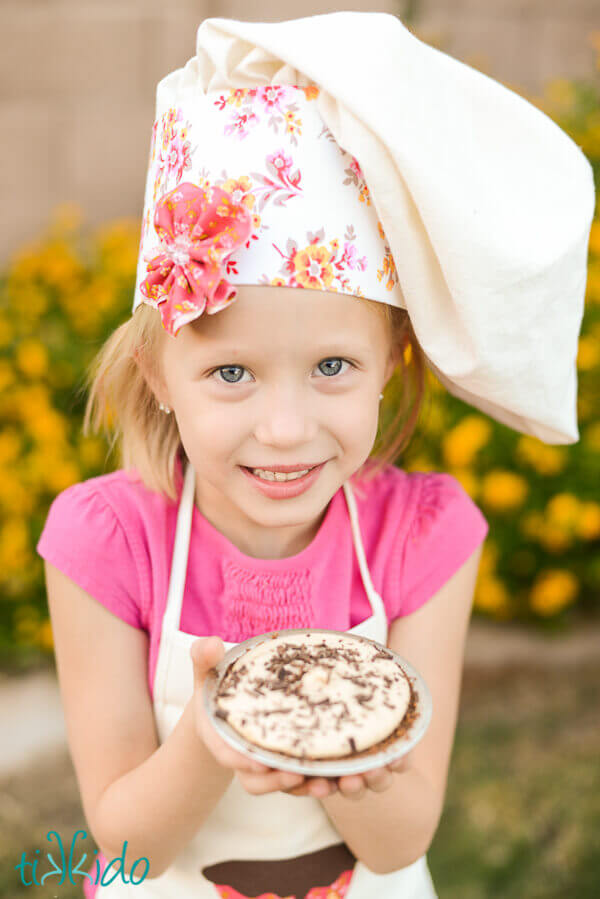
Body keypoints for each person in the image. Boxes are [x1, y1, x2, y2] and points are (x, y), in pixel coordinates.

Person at [35, 11, 594, 899]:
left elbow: (399, 836)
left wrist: (339, 753)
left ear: (390, 366)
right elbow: (128, 841)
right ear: (159, 373)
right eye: (230, 372)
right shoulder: (108, 543)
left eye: (333, 366)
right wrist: (218, 736)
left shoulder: (425, 537)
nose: (286, 428)